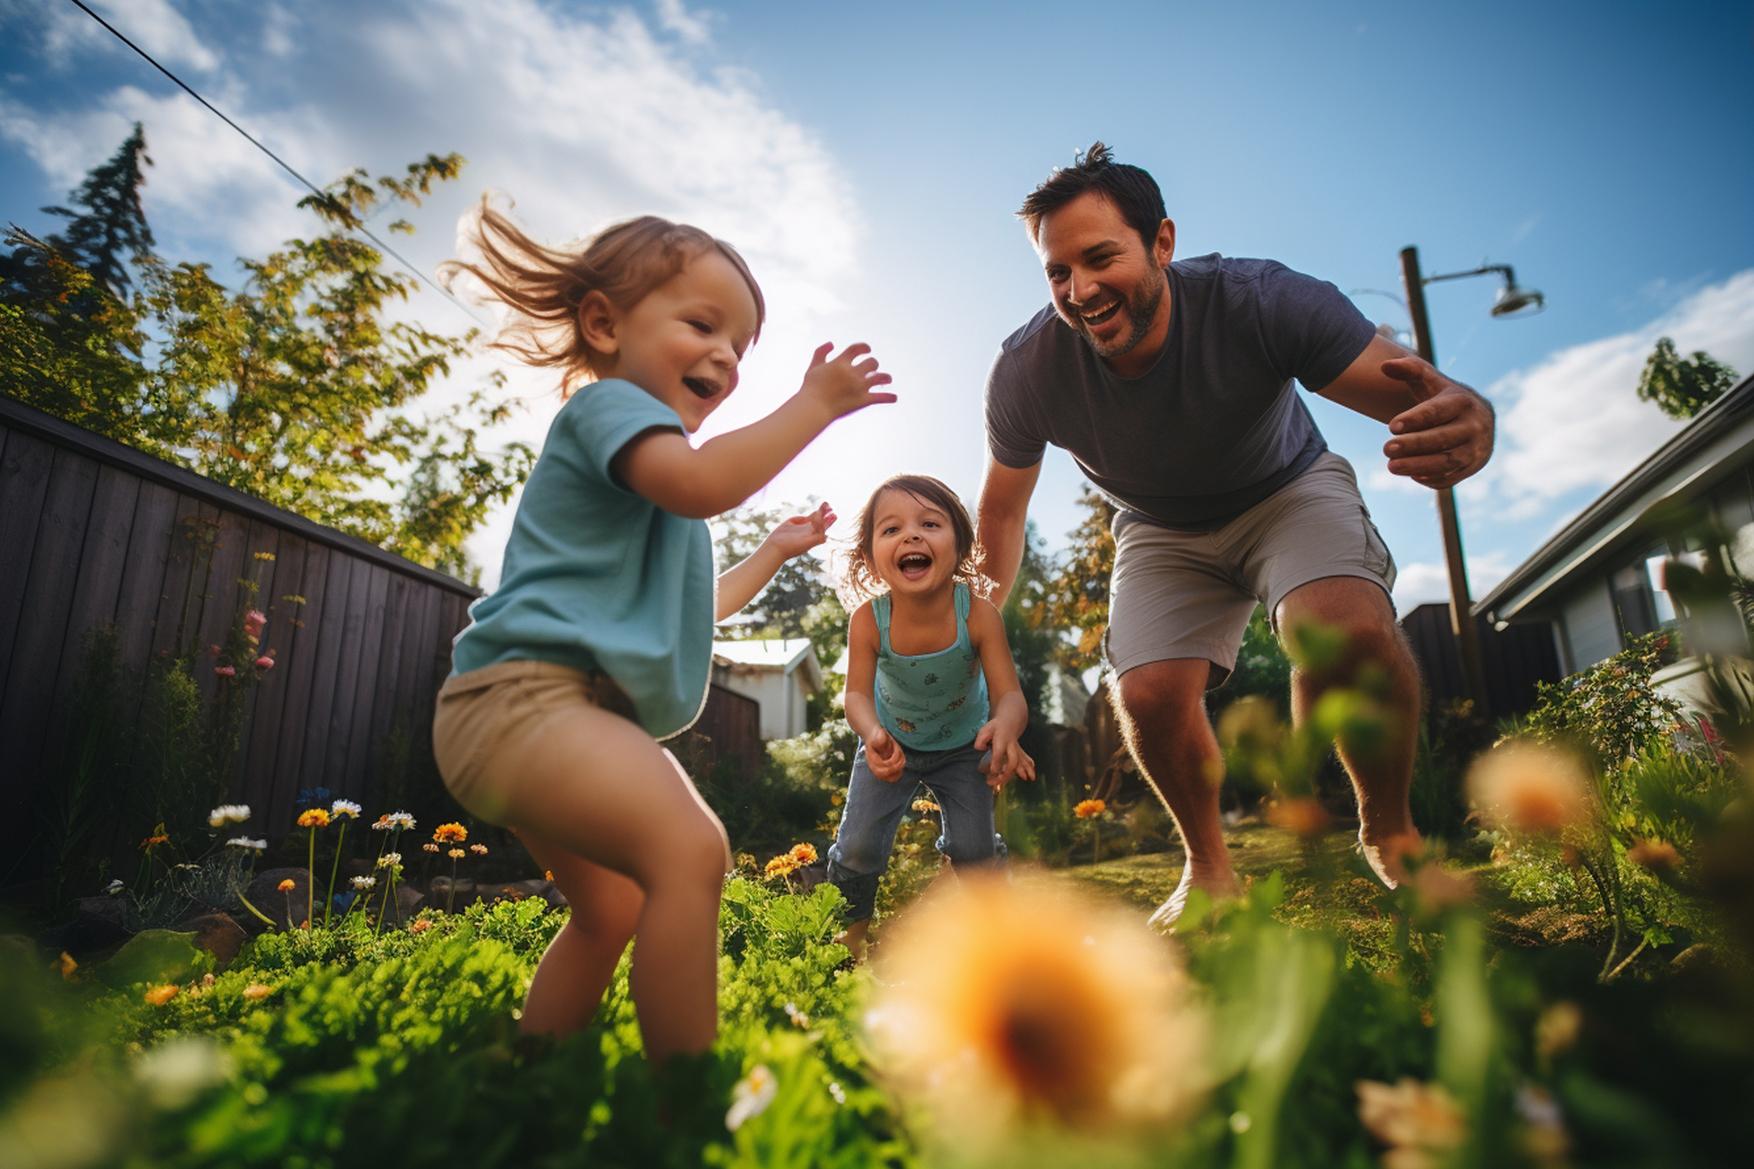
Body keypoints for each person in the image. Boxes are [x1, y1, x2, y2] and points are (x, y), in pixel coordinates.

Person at [977, 143, 1495, 927]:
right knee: (1146, 693)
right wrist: (971, 634)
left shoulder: (1261, 301)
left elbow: (1418, 395)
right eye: (1058, 272)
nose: (1079, 291)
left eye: (1100, 258)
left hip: (1286, 487)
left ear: (1162, 242)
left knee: (1345, 630)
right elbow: (1002, 514)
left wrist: (1469, 418)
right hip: (1158, 525)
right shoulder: (1027, 369)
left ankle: (1390, 835)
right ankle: (1208, 869)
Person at [430, 202, 894, 1061]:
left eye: (740, 346)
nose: (726, 356)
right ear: (604, 325)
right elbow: (703, 481)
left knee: (612, 907)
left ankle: (532, 1069)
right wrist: (814, 404)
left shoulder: (654, 484)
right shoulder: (608, 408)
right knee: (691, 849)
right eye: (702, 325)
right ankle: (686, 1101)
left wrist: (773, 550)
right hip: (525, 701)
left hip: (524, 715)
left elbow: (697, 607)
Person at [827, 474, 1036, 961]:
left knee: (974, 851)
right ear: (869, 557)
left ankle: (995, 939)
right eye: (891, 529)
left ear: (960, 546)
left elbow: (1010, 695)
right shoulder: (868, 620)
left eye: (929, 524)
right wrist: (872, 733)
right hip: (889, 745)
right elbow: (854, 695)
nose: (911, 536)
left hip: (965, 749)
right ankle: (848, 939)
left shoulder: (978, 615)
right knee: (858, 846)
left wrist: (1006, 727)